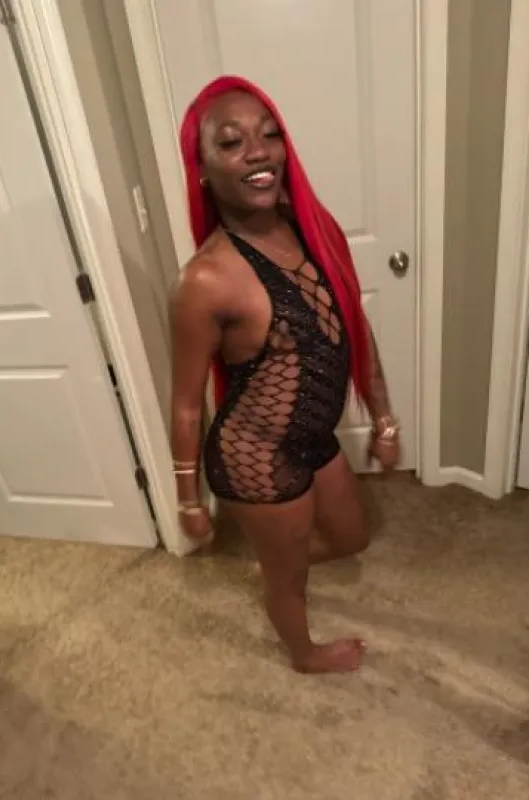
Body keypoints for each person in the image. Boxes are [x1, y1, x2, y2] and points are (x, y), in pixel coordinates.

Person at [169, 76, 400, 674]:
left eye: (269, 135)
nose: (258, 152)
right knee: (289, 579)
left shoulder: (309, 228)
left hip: (312, 438)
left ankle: (277, 565)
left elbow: (353, 327)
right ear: (201, 168)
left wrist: (384, 419)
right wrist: (187, 499)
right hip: (255, 457)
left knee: (351, 538)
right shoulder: (205, 281)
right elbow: (187, 403)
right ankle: (304, 652)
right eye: (231, 142)